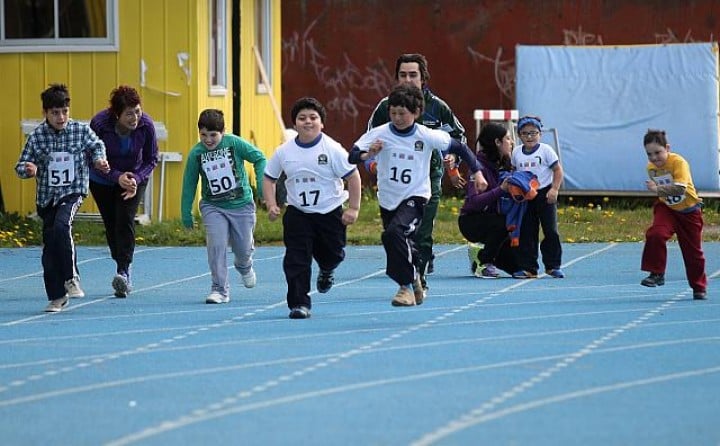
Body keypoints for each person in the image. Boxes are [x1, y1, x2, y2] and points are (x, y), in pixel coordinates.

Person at [349, 84, 485, 307]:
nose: (397, 118)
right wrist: (368, 154)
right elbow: (352, 156)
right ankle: (414, 279)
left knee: (395, 233)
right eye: (393, 113)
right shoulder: (380, 133)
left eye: (402, 113)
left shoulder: (426, 135)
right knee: (395, 241)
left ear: (416, 112)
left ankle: (405, 287)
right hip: (388, 199)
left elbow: (460, 148)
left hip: (416, 196)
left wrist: (477, 172)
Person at [263, 97, 362, 319]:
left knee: (332, 254)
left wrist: (353, 208)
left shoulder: (333, 149)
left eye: (313, 118)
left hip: (330, 211)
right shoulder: (284, 151)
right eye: (302, 118)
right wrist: (271, 204)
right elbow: (269, 178)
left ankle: (327, 269)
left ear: (322, 123)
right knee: (297, 258)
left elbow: (353, 176)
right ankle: (299, 303)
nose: (308, 122)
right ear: (295, 123)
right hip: (298, 212)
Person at [15, 83, 110, 312]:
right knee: (49, 250)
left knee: (62, 226)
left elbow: (97, 145)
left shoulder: (79, 130)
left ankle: (71, 277)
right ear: (45, 113)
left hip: (73, 191)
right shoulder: (38, 136)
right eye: (55, 113)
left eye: (64, 111)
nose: (61, 117)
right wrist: (28, 169)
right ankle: (57, 296)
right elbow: (21, 164)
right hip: (47, 198)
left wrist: (99, 160)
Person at [180, 109, 266, 304]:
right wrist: (186, 213)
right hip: (213, 206)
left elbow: (259, 158)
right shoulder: (197, 153)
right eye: (203, 135)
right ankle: (219, 289)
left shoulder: (234, 143)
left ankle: (244, 265)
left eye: (213, 135)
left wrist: (261, 187)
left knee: (243, 248)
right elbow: (189, 183)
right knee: (216, 245)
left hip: (241, 205)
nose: (208, 140)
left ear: (223, 132)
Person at [89, 85, 159, 298]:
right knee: (111, 225)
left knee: (125, 219)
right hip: (102, 179)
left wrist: (135, 179)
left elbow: (151, 158)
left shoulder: (146, 125)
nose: (135, 117)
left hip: (133, 179)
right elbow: (91, 159)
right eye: (129, 113)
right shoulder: (99, 124)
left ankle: (124, 272)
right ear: (116, 113)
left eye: (137, 111)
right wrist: (115, 176)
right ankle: (120, 261)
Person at [640, 129, 707, 300]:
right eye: (649, 154)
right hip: (667, 209)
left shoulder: (679, 163)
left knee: (693, 253)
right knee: (655, 233)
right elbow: (666, 193)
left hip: (689, 212)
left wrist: (657, 189)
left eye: (658, 152)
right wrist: (660, 192)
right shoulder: (651, 168)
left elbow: (680, 188)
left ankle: (699, 287)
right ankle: (656, 273)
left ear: (667, 148)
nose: (654, 158)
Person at [457, 123, 521, 277]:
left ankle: (481, 252)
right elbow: (473, 202)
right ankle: (483, 261)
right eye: (507, 139)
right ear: (497, 142)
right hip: (471, 221)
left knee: (519, 267)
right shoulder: (478, 166)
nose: (511, 142)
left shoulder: (506, 163)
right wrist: (500, 190)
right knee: (501, 222)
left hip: (498, 222)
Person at [510, 115, 564, 279]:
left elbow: (558, 170)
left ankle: (553, 265)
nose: (529, 137)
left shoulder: (546, 150)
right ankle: (529, 268)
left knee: (550, 230)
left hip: (544, 194)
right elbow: (514, 173)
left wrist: (554, 189)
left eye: (533, 133)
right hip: (526, 196)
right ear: (519, 135)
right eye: (525, 133)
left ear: (540, 134)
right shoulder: (516, 152)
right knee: (527, 232)